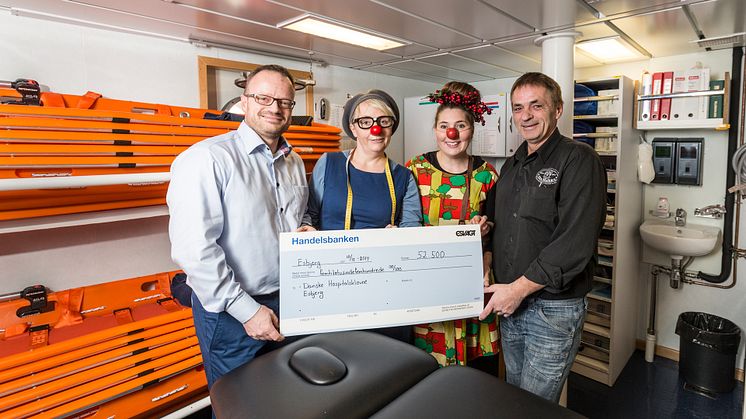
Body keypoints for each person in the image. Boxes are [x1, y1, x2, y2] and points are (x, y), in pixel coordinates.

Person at [167, 64, 308, 389]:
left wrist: (305, 229)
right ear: (244, 103)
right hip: (232, 311)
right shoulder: (207, 159)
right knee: (240, 406)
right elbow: (195, 250)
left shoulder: (294, 162)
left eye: (284, 102)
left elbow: (297, 217)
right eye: (264, 97)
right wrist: (246, 310)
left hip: (289, 300)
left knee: (287, 399)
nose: (274, 108)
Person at [480, 72, 606, 402]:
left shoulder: (579, 160)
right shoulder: (512, 165)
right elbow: (495, 221)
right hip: (510, 304)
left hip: (551, 310)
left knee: (536, 405)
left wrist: (517, 290)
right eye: (518, 107)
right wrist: (486, 250)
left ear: (557, 109)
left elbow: (575, 241)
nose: (526, 115)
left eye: (537, 105)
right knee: (516, 396)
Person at [300, 89, 422, 342]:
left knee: (383, 359)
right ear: (353, 129)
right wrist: (307, 228)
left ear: (391, 127)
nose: (374, 130)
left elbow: (413, 229)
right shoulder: (329, 162)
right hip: (329, 281)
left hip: (382, 284)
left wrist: (402, 237)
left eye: (383, 122)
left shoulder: (403, 177)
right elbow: (309, 213)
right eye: (365, 122)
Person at [405, 81, 499, 368]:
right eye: (444, 125)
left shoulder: (487, 174)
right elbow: (403, 224)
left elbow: (498, 231)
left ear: (472, 129)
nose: (452, 133)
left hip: (474, 283)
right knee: (427, 371)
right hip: (427, 284)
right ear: (435, 129)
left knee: (477, 377)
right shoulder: (414, 170)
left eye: (460, 125)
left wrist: (486, 226)